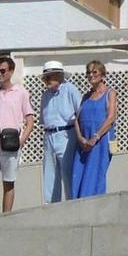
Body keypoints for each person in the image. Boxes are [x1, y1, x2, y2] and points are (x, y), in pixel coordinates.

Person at [0, 57, 34, 215]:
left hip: (10, 144)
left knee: (8, 183)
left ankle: (6, 217)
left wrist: (21, 142)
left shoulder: (21, 93)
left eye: (2, 71)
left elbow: (30, 120)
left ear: (10, 71)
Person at [37, 62, 81, 204]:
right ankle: (50, 206)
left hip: (66, 134)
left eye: (49, 77)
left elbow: (80, 113)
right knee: (49, 174)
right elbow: (44, 120)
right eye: (45, 77)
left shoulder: (70, 90)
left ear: (59, 75)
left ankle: (72, 204)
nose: (46, 80)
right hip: (49, 135)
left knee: (67, 173)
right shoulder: (45, 95)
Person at [72, 60, 116, 198]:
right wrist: (80, 138)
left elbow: (111, 118)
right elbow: (77, 120)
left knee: (94, 175)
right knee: (78, 176)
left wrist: (95, 138)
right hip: (84, 143)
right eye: (88, 73)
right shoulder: (86, 96)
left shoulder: (110, 93)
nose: (91, 75)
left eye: (94, 72)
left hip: (100, 142)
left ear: (102, 75)